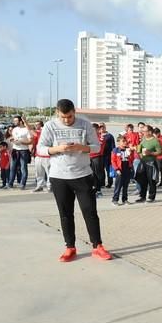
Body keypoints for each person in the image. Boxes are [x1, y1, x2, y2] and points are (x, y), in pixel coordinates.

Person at [36, 99, 112, 262]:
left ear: (74, 112)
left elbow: (97, 147)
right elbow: (40, 149)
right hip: (59, 176)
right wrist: (57, 149)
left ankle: (97, 246)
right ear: (57, 113)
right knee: (65, 214)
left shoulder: (85, 125)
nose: (66, 120)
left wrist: (81, 147)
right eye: (63, 117)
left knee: (90, 212)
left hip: (83, 175)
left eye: (70, 117)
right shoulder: (50, 126)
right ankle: (70, 246)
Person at [135, 125, 162, 203]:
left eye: (144, 131)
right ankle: (142, 196)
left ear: (150, 132)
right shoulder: (143, 139)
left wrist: (150, 152)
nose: (143, 132)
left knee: (151, 180)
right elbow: (140, 148)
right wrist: (138, 151)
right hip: (143, 162)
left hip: (151, 163)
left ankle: (151, 196)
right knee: (142, 180)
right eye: (142, 131)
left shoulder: (155, 141)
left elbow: (159, 152)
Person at [8, 115, 34, 190]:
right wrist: (12, 140)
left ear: (20, 121)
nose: (14, 122)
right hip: (15, 150)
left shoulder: (26, 130)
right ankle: (10, 184)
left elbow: (30, 141)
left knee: (23, 168)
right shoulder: (14, 129)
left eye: (16, 121)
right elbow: (13, 138)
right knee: (12, 168)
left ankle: (23, 184)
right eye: (14, 121)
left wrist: (22, 142)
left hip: (23, 151)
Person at [110, 135, 135, 206]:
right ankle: (115, 199)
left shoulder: (128, 149)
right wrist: (117, 169)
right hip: (120, 169)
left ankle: (125, 199)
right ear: (118, 142)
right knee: (118, 185)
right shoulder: (115, 150)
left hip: (127, 168)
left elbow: (131, 159)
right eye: (123, 141)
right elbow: (113, 161)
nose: (125, 142)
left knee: (125, 185)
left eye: (125, 141)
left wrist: (131, 152)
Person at [32, 120, 52, 192]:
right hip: (38, 156)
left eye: (38, 125)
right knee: (39, 172)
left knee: (49, 173)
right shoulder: (37, 133)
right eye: (35, 124)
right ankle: (40, 186)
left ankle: (50, 187)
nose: (36, 126)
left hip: (47, 157)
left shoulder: (48, 134)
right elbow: (30, 130)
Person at [100, 123, 115, 188]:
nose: (102, 128)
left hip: (108, 155)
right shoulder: (97, 135)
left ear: (105, 127)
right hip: (100, 155)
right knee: (100, 170)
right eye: (100, 127)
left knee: (108, 170)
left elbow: (113, 146)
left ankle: (110, 183)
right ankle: (101, 183)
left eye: (103, 127)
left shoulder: (109, 136)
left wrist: (113, 154)